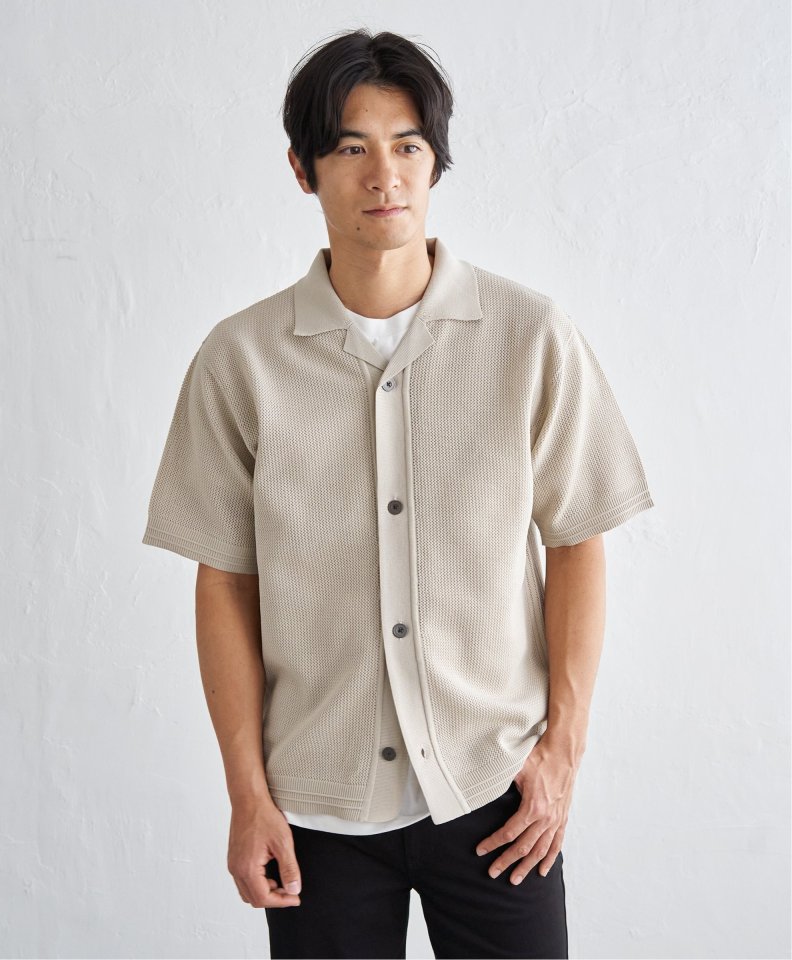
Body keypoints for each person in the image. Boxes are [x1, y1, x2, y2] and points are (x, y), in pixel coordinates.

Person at [141, 27, 655, 960]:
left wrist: (562, 756)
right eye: (351, 148)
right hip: (317, 812)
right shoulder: (240, 359)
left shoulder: (529, 336)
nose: (385, 175)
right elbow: (224, 583)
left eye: (408, 146)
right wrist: (247, 796)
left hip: (498, 797)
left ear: (435, 162)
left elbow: (578, 539)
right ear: (303, 169)